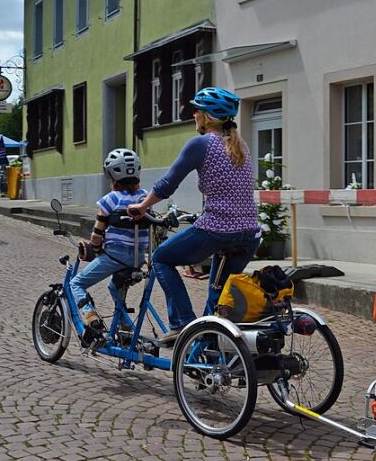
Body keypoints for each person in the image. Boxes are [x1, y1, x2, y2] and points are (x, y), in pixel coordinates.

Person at [128, 87, 260, 340]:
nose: (193, 114)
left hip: (218, 229)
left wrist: (142, 206)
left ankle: (184, 326)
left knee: (160, 258)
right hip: (249, 234)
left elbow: (168, 183)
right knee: (217, 301)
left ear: (208, 117)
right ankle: (206, 355)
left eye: (197, 110)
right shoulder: (241, 145)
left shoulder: (201, 143)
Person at [70, 149, 150, 346]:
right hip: (138, 258)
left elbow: (97, 235)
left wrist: (96, 250)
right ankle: (125, 327)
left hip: (115, 257)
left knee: (76, 284)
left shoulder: (110, 200)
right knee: (114, 286)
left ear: (112, 175)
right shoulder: (144, 197)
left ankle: (91, 319)